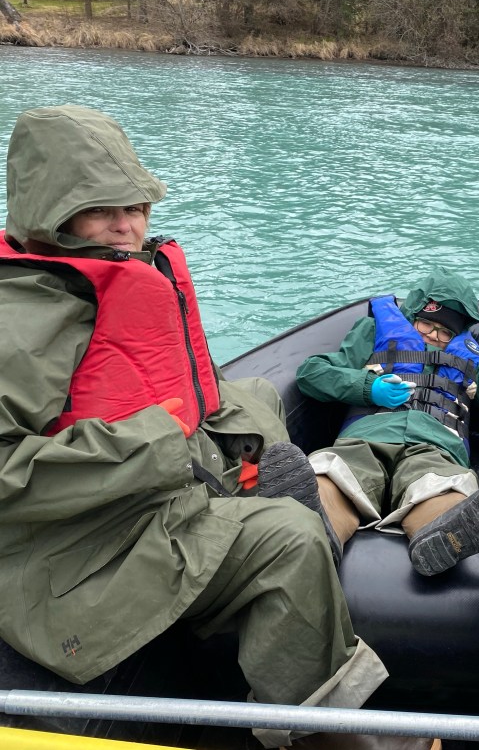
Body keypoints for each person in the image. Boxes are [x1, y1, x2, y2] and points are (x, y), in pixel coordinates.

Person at [0, 105, 435, 750]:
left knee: (253, 395)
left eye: (137, 205)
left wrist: (241, 440)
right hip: (76, 559)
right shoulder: (21, 320)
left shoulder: (111, 279)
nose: (128, 224)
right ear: (52, 213)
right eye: (102, 209)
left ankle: (279, 480)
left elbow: (182, 394)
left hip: (140, 505)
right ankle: (325, 737)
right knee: (291, 540)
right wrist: (163, 445)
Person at [293, 268, 479, 576]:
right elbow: (311, 374)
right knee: (334, 474)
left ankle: (443, 537)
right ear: (412, 315)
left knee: (443, 488)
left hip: (435, 447)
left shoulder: (466, 363)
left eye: (445, 332)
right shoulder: (373, 333)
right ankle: (317, 528)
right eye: (427, 323)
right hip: (367, 437)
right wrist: (369, 387)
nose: (434, 335)